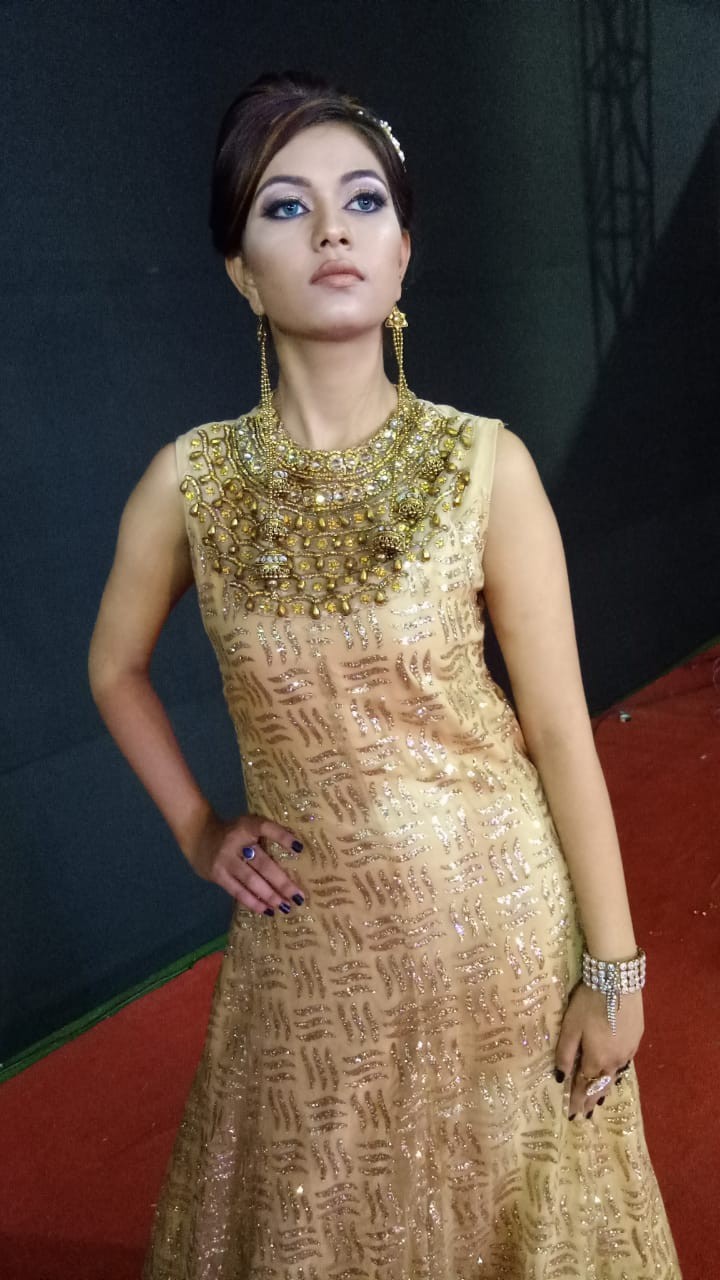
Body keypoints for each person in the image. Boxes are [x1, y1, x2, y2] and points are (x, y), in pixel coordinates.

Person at [88, 70, 681, 1279]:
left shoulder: (484, 467)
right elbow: (114, 667)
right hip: (309, 952)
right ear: (240, 268)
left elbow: (560, 731)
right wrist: (199, 827)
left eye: (363, 200)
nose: (332, 230)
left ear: (403, 253)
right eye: (286, 206)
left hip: (500, 934)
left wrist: (613, 969)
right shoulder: (190, 484)